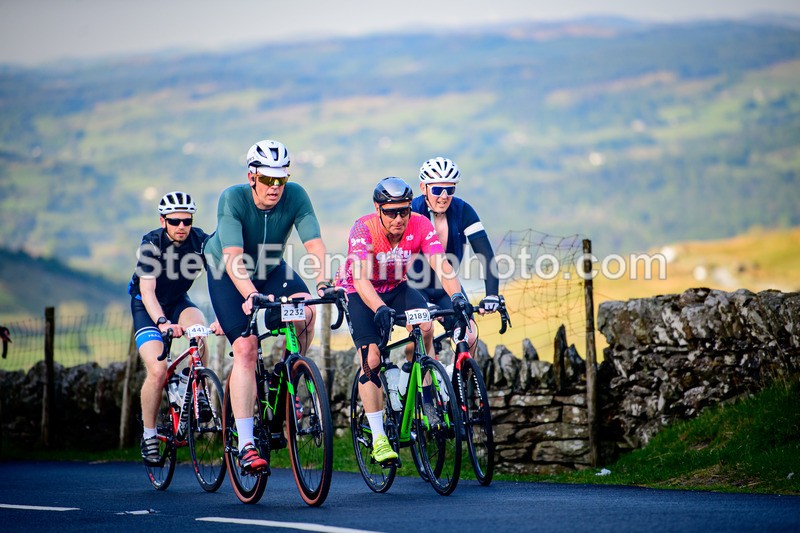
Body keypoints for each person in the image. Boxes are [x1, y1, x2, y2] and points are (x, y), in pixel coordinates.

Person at [204, 139, 331, 473]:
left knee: (305, 311)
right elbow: (232, 259)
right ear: (252, 176)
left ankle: (288, 372)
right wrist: (249, 294)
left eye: (281, 179)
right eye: (268, 179)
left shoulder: (296, 195)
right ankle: (246, 443)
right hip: (228, 273)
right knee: (245, 349)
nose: (275, 187)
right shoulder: (232, 198)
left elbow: (314, 243)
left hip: (270, 269)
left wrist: (324, 283)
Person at [337, 177, 470, 464]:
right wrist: (379, 308)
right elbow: (359, 278)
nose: (399, 218)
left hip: (396, 287)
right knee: (371, 358)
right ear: (378, 209)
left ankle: (417, 389)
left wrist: (458, 297)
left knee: (425, 327)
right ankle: (379, 438)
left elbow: (441, 264)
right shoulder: (364, 228)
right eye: (391, 211)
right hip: (360, 292)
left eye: (404, 211)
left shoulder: (421, 223)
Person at [128, 191, 220, 465]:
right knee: (157, 370)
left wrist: (226, 317)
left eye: (186, 220)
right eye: (175, 221)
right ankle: (149, 435)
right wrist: (162, 323)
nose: (182, 226)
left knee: (199, 331)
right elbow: (147, 290)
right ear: (163, 220)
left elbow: (221, 276)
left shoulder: (199, 240)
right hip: (148, 308)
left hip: (178, 302)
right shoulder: (151, 243)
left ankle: (198, 390)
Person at [409, 157, 501, 355]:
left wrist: (492, 294)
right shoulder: (412, 212)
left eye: (450, 190)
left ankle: (462, 382)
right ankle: (421, 381)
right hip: (415, 287)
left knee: (469, 336)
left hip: (447, 287)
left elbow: (486, 256)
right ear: (423, 187)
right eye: (437, 190)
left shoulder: (463, 211)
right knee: (424, 334)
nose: (444, 196)